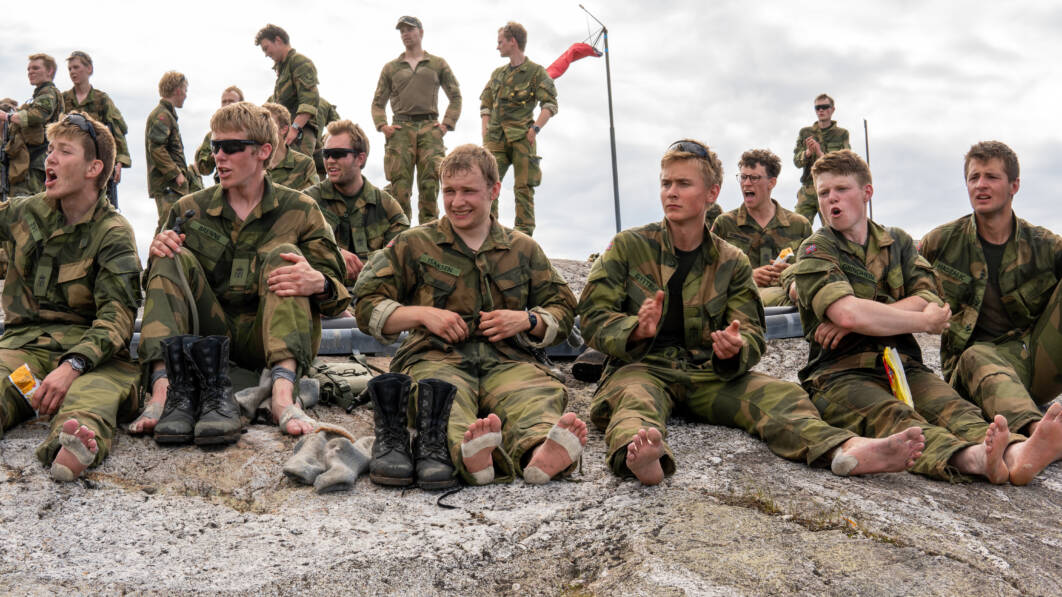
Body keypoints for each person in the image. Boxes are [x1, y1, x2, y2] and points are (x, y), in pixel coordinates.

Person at [577, 140, 924, 486]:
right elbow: (592, 314)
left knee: (782, 395)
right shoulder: (630, 246)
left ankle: (844, 450)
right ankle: (644, 458)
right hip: (643, 367)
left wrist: (734, 348)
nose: (671, 192)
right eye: (666, 183)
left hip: (707, 373)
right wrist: (635, 330)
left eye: (683, 184)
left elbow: (753, 332)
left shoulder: (732, 261)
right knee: (634, 401)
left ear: (711, 193)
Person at [788, 149, 1062, 484]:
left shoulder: (899, 243)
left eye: (841, 189)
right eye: (823, 193)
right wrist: (918, 322)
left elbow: (929, 297)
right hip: (841, 373)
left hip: (903, 365)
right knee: (897, 419)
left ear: (866, 192)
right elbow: (849, 314)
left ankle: (1018, 454)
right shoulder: (816, 249)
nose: (832, 199)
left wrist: (869, 317)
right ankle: (975, 459)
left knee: (955, 409)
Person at [354, 144, 587, 486]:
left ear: (493, 191)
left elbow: (563, 306)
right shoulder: (414, 244)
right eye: (449, 191)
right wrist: (422, 315)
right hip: (436, 357)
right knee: (439, 401)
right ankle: (475, 455)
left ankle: (539, 452)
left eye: (468, 191)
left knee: (533, 396)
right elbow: (365, 301)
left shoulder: (523, 249)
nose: (457, 202)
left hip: (509, 360)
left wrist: (528, 320)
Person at [131, 101, 349, 440]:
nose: (220, 156)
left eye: (232, 147)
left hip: (269, 334)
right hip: (210, 338)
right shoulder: (189, 209)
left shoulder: (300, 209)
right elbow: (161, 286)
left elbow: (337, 299)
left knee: (286, 257)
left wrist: (318, 281)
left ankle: (282, 397)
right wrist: (158, 253)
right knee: (169, 252)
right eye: (217, 146)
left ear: (263, 151)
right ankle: (163, 394)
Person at [0, 112, 141, 481]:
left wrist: (72, 366)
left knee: (91, 400)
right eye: (50, 149)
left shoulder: (114, 233)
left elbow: (117, 318)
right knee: (3, 380)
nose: (50, 159)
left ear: (94, 168)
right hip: (26, 348)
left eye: (64, 151)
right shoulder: (27, 212)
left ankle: (75, 445)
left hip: (94, 356)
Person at [920, 141, 1062, 485]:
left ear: (1014, 186)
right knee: (977, 353)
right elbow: (889, 273)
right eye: (973, 178)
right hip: (972, 371)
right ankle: (1037, 435)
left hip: (1032, 363)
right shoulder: (941, 242)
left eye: (991, 177)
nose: (980, 185)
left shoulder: (1043, 244)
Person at [371, 15, 462, 225]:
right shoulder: (391, 68)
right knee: (399, 187)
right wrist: (383, 126)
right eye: (402, 31)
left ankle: (428, 232)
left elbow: (456, 96)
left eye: (410, 29)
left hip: (430, 129)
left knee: (430, 184)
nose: (406, 34)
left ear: (420, 32)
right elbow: (377, 102)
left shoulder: (437, 64)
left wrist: (446, 125)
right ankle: (401, 235)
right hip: (400, 129)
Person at [305, 119, 408, 287]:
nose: (330, 160)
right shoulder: (307, 202)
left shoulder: (387, 208)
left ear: (360, 158)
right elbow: (288, 247)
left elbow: (401, 259)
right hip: (323, 295)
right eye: (326, 154)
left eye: (338, 154)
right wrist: (333, 253)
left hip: (373, 294)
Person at [480, 21, 557, 236]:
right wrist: (485, 132)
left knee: (524, 188)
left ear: (512, 42)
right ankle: (488, 231)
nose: (498, 47)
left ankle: (523, 236)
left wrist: (535, 129)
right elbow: (485, 103)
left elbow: (549, 104)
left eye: (500, 42)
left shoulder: (535, 73)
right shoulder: (497, 74)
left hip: (523, 138)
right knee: (487, 186)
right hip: (495, 139)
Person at [711, 149, 812, 306]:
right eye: (743, 177)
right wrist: (747, 276)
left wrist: (790, 272)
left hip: (790, 316)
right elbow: (707, 273)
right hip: (739, 312)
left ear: (771, 183)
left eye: (754, 178)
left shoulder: (799, 225)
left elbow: (813, 270)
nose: (746, 183)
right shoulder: (725, 224)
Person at [62, 51, 131, 205]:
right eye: (70, 69)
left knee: (100, 205)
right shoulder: (63, 100)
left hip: (96, 162)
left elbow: (116, 131)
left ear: (89, 69)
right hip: (69, 163)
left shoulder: (102, 100)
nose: (73, 72)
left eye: (76, 67)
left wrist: (119, 162)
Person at [0, 53, 64, 197]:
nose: (30, 72)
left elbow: (38, 116)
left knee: (24, 203)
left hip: (36, 160)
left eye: (35, 68)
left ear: (49, 71)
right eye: (29, 69)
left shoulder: (49, 93)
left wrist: (8, 117)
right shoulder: (40, 95)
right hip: (32, 160)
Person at [255, 23, 320, 158]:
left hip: (299, 135)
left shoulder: (299, 62)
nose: (266, 54)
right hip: (287, 134)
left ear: (278, 40)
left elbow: (309, 101)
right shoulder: (283, 69)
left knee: (299, 173)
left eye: (266, 48)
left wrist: (295, 128)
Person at [145, 71, 197, 232]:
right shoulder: (162, 115)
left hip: (172, 184)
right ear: (178, 90)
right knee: (168, 225)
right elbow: (156, 148)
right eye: (185, 90)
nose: (186, 95)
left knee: (172, 224)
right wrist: (175, 173)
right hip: (168, 184)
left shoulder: (167, 114)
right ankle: (157, 257)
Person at [792, 93, 849, 225]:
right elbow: (796, 161)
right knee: (797, 226)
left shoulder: (841, 135)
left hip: (830, 189)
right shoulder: (805, 133)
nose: (821, 110)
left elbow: (845, 164)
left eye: (825, 107)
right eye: (817, 108)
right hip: (808, 188)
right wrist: (807, 153)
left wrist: (819, 153)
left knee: (833, 228)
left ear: (832, 109)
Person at [262, 102, 319, 191]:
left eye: (268, 125)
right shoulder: (253, 163)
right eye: (260, 125)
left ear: (284, 129)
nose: (262, 130)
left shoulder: (304, 164)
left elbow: (312, 199)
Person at [195, 86, 244, 183]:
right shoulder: (213, 135)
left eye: (231, 101)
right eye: (224, 102)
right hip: (224, 187)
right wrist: (214, 156)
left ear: (241, 103)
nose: (227, 105)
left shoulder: (252, 130)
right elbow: (203, 169)